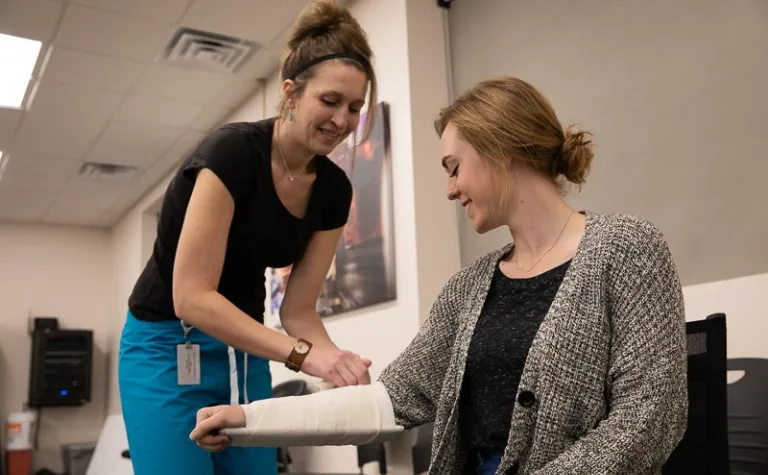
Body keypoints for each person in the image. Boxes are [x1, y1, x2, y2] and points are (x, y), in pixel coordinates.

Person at [188, 76, 689, 475]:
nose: (450, 189)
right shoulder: (468, 287)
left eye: (454, 167)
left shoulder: (627, 249)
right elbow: (391, 401)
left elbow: (650, 418)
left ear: (500, 150)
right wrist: (251, 419)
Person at [117, 1, 380, 474]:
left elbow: (297, 309)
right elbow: (192, 299)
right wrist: (305, 356)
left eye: (355, 107)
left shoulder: (334, 190)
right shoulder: (231, 155)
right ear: (291, 93)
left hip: (244, 351)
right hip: (165, 347)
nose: (343, 120)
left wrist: (338, 364)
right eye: (330, 101)